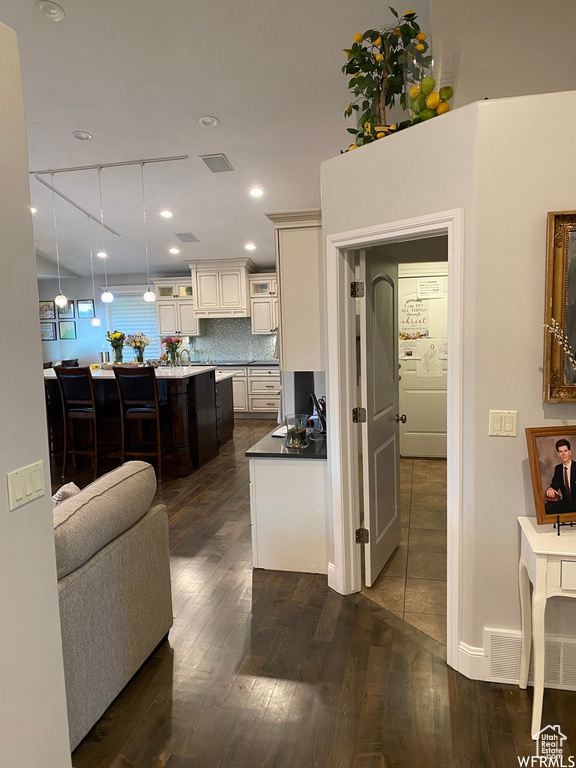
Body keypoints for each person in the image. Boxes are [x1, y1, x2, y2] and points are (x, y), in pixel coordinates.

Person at [544, 438, 576, 514]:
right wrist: (550, 489)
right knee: (549, 506)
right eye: (561, 451)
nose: (563, 454)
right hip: (566, 504)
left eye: (565, 451)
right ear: (558, 454)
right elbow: (554, 485)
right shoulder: (558, 469)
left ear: (570, 452)